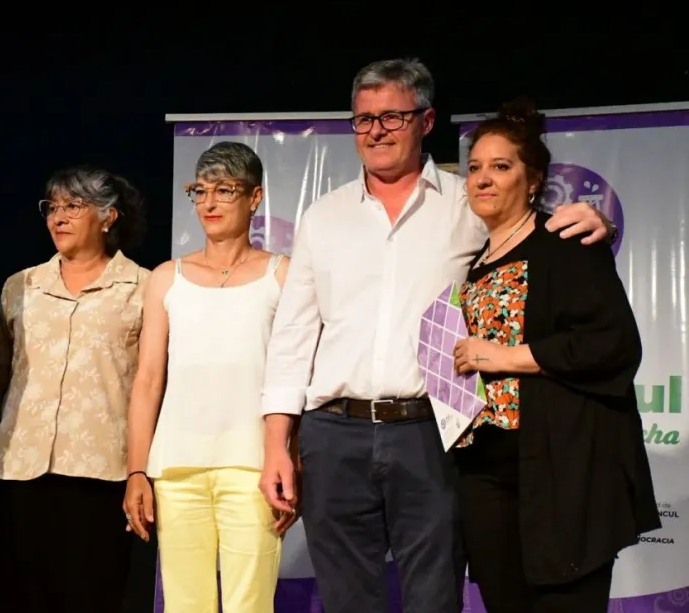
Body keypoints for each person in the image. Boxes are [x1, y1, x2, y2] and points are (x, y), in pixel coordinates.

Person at [257, 58, 617, 613]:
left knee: (434, 598)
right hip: (333, 434)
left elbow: (530, 237)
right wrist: (276, 445)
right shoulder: (323, 217)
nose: (376, 131)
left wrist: (598, 224)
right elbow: (294, 334)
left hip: (431, 432)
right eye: (364, 119)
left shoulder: (467, 203)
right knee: (347, 600)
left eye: (392, 117)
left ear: (425, 121)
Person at [451, 99, 660, 612]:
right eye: (474, 168)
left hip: (560, 471)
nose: (483, 178)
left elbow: (611, 343)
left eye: (501, 166)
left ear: (534, 180)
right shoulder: (474, 263)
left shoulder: (566, 240)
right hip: (485, 471)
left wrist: (503, 356)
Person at [125, 142, 295, 613]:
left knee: (250, 603)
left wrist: (291, 459)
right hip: (177, 467)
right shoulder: (167, 276)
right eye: (200, 191)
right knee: (185, 604)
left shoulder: (281, 274)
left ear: (254, 197)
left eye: (224, 190)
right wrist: (137, 470)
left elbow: (294, 376)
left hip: (253, 466)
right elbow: (147, 380)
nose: (209, 203)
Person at [0, 165, 148, 613]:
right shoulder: (22, 286)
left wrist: (142, 473)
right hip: (19, 473)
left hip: (102, 476)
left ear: (108, 217)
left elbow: (153, 389)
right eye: (52, 207)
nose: (59, 217)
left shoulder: (143, 288)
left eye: (73, 206)